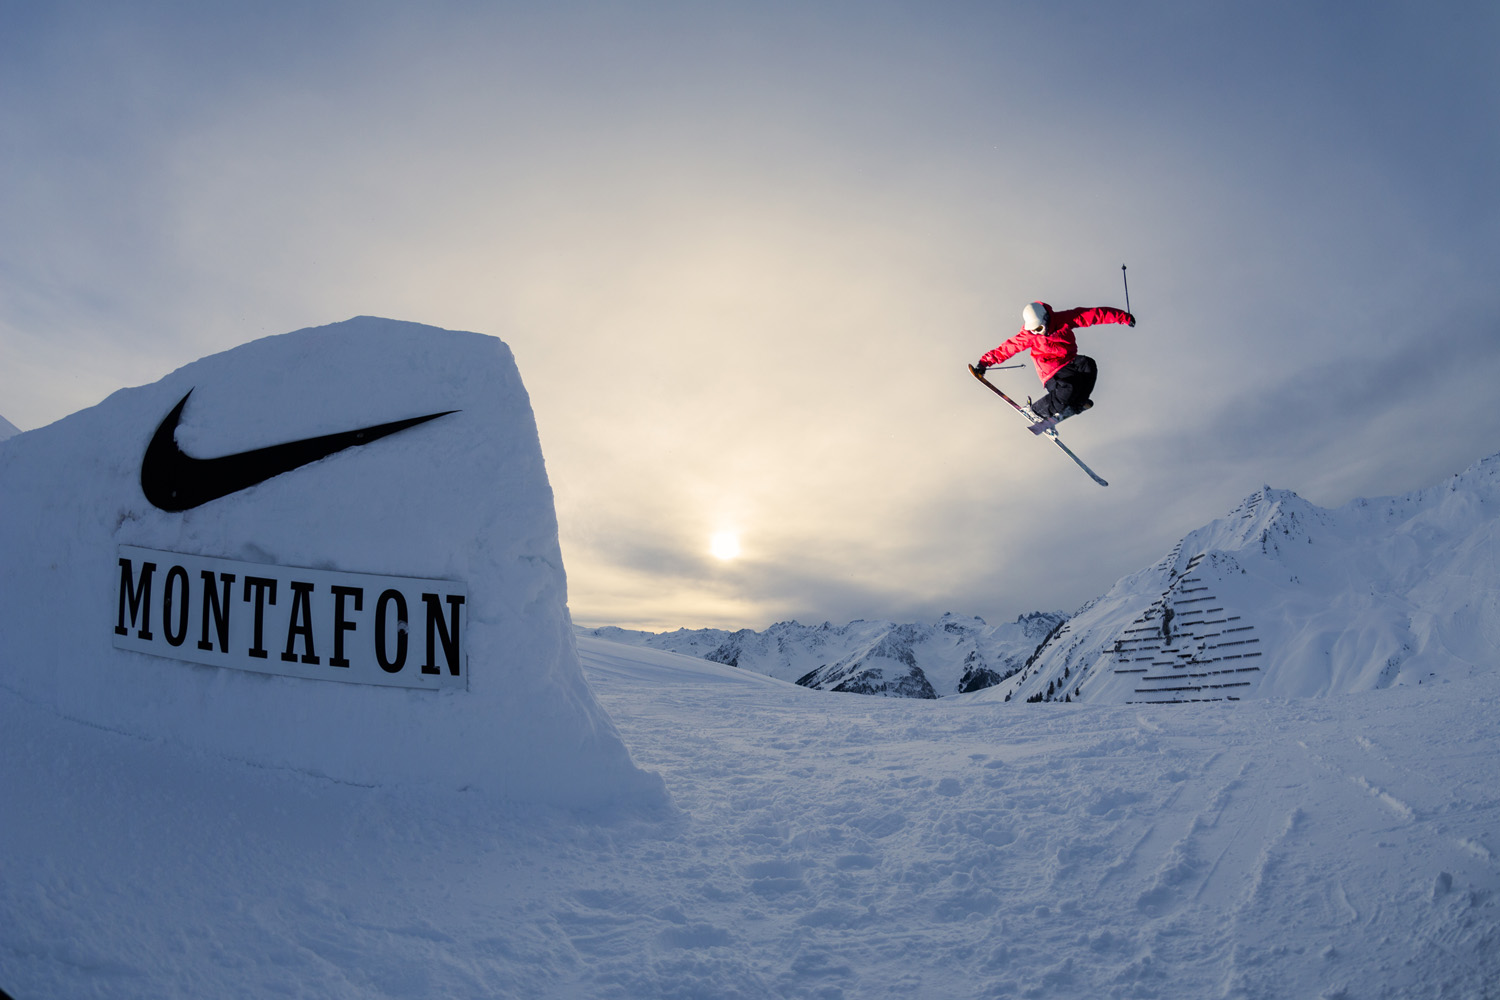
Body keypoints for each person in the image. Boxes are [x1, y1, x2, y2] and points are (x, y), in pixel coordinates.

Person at [975, 301, 1135, 423]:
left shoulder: (1064, 320)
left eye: (1039, 329)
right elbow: (1007, 348)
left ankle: (1077, 404)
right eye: (1033, 330)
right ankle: (1036, 411)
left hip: (1069, 362)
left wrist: (1123, 317)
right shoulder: (1029, 335)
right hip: (1051, 372)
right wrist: (984, 363)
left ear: (1046, 319)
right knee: (1069, 386)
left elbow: (1093, 315)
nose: (1037, 332)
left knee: (1088, 365)